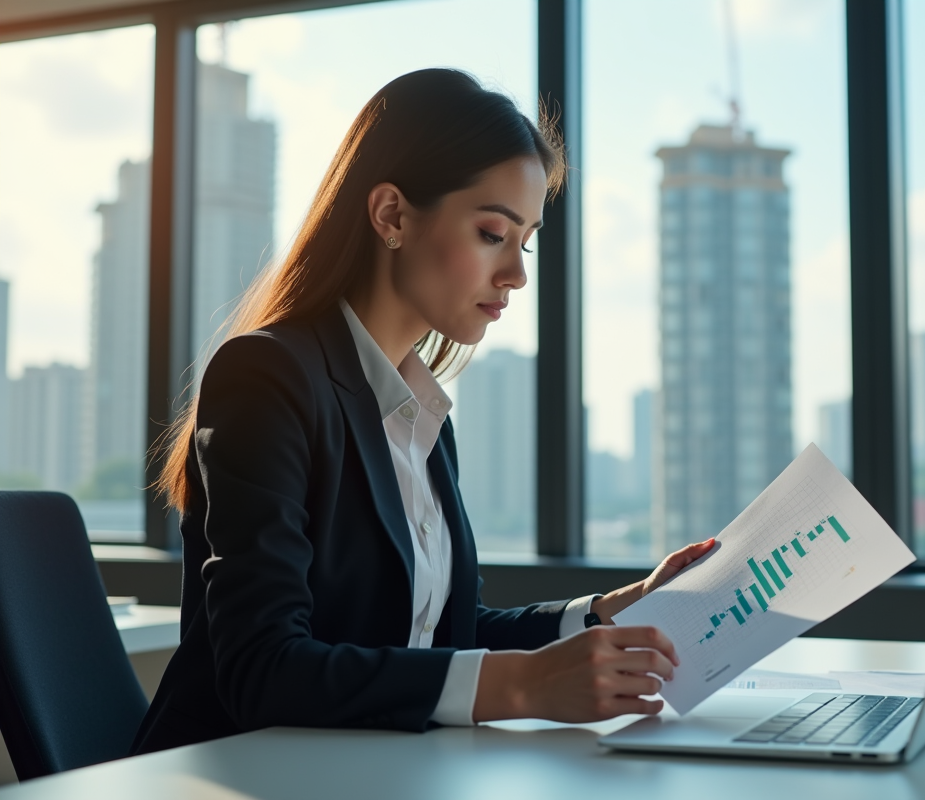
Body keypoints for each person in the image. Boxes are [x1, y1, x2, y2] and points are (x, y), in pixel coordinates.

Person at [131, 68, 715, 755]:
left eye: (525, 242)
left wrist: (603, 614)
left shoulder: (420, 411)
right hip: (236, 774)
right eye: (493, 233)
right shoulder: (268, 375)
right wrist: (522, 687)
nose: (517, 275)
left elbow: (441, 634)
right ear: (392, 216)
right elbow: (264, 669)